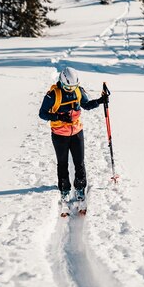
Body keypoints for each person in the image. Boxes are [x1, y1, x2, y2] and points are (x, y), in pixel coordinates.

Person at [39, 66, 107, 202]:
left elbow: (86, 105)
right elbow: (42, 114)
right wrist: (58, 117)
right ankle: (64, 188)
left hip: (77, 133)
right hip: (59, 135)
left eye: (73, 86)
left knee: (79, 162)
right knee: (62, 163)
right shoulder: (52, 95)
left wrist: (100, 101)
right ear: (61, 81)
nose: (71, 89)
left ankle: (80, 187)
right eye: (68, 87)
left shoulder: (78, 91)